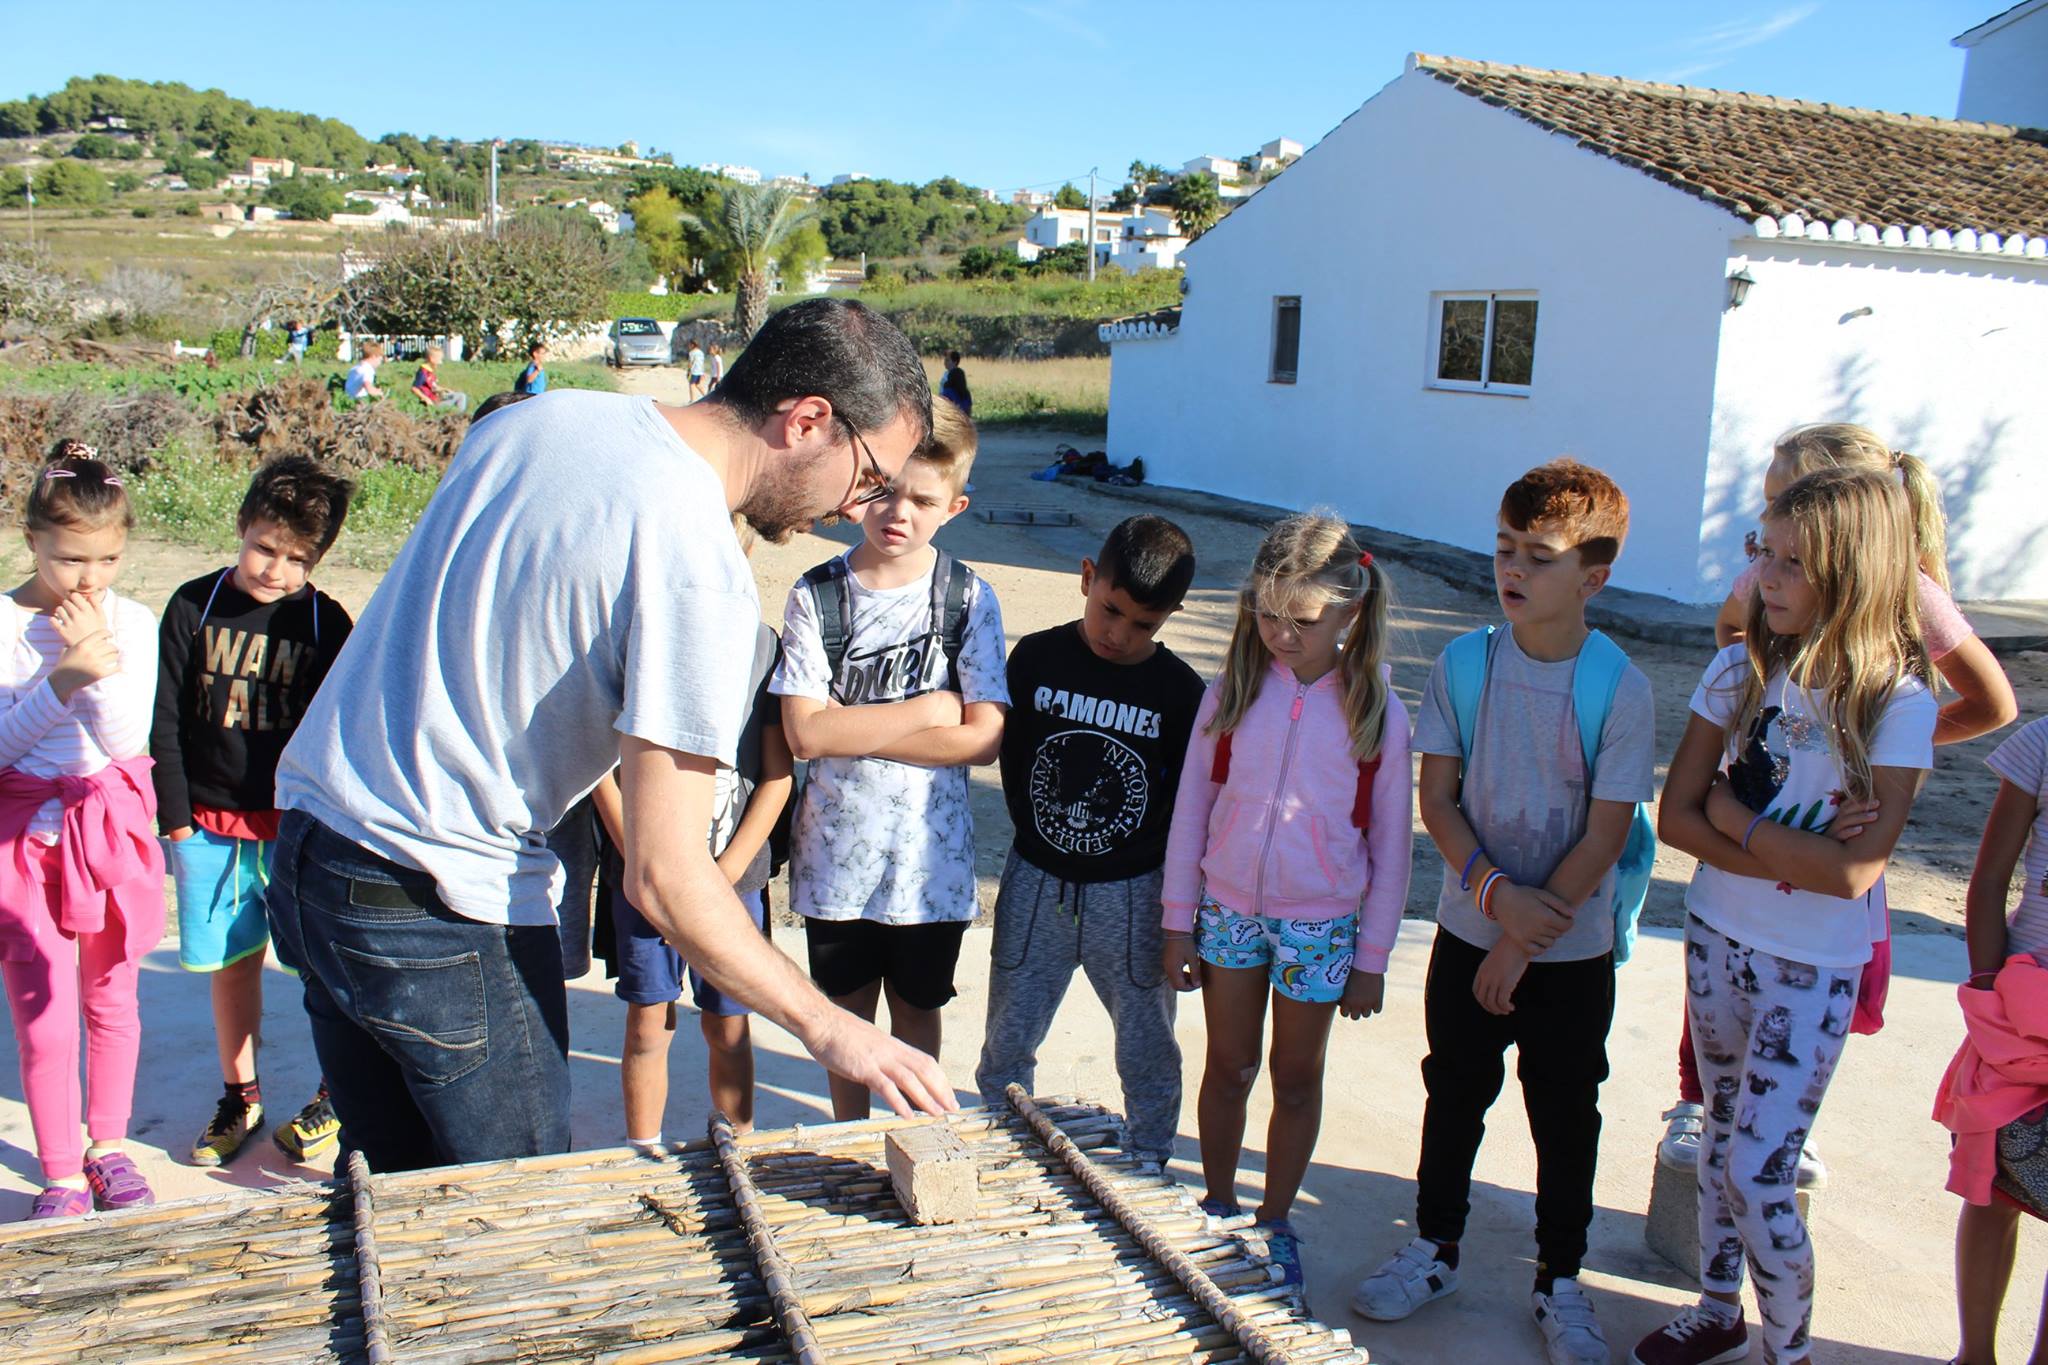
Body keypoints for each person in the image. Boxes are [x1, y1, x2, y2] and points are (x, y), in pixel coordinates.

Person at [266, 297, 953, 1174]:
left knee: (395, 1206)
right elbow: (667, 877)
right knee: (502, 1224)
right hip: (438, 899)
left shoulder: (543, 417)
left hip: (311, 850)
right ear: (808, 420)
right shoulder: (696, 566)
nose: (859, 504)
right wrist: (832, 1029)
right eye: (869, 475)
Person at [1632, 467, 1937, 1365]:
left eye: (1794, 561)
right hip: (1717, 938)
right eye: (1764, 550)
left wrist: (1738, 815)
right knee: (1720, 1141)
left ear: (1855, 571)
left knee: (1762, 1171)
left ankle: (1787, 1352)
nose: (1767, 575)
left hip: (1813, 967)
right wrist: (1776, 845)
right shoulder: (1738, 667)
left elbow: (1851, 875)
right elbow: (1676, 814)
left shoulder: (1896, 703)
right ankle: (1717, 1306)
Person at [1353, 459, 1654, 1365]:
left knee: (1566, 1117)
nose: (1512, 570)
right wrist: (1495, 901)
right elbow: (1436, 799)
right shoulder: (1465, 663)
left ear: (1593, 575)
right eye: (1503, 549)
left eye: (1540, 555)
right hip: (1467, 933)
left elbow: (1608, 833)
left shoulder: (1621, 688)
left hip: (1569, 953)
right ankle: (1434, 1247)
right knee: (1454, 1095)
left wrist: (1523, 939)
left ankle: (1561, 1280)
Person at [1660, 422, 2017, 1180]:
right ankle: (1703, 1105)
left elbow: (1992, 701)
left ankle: (1791, 1123)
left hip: (1834, 839)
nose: (1766, 558)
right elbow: (1733, 632)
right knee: (1726, 984)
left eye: (1784, 503)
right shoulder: (1771, 574)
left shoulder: (1911, 596)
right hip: (1757, 854)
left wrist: (1881, 751)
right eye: (1768, 520)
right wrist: (1764, 721)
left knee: (1831, 987)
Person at [1161, 511, 1412, 1290]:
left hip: (1322, 929)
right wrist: (1178, 922)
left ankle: (1274, 1223)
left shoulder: (1381, 716)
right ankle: (1216, 1201)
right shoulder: (1227, 695)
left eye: (1300, 619)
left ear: (1351, 611)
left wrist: (1372, 959)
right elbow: (1190, 812)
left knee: (1296, 1074)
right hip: (1227, 915)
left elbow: (1392, 848)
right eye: (1265, 614)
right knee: (1228, 1065)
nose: (1279, 633)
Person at [773, 399, 1007, 1121]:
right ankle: (850, 1141)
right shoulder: (817, 595)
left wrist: (852, 724)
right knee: (846, 1021)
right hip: (835, 864)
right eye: (882, 489)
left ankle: (920, 1138)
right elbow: (804, 736)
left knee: (917, 1013)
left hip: (929, 871)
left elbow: (983, 737)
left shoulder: (968, 598)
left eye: (921, 498)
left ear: (954, 505)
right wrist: (926, 712)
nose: (897, 511)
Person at [976, 514, 1203, 1167]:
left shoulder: (1182, 694)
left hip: (1133, 897)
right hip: (1035, 880)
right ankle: (998, 1142)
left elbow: (1191, 808)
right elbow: (1011, 758)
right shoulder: (1036, 657)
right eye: (1111, 610)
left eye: (1143, 624)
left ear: (1169, 617)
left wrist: (1183, 917)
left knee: (1145, 1039)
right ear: (1086, 577)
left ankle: (1151, 1154)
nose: (1120, 633)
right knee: (1009, 1030)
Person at [152, 456, 356, 1168]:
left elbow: (341, 729)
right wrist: (177, 820)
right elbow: (167, 722)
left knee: (321, 971)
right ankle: (241, 1096)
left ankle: (339, 1095)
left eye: (298, 558)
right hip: (209, 827)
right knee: (232, 965)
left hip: (298, 828)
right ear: (242, 527)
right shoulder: (192, 605)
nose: (276, 568)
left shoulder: (325, 622)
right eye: (266, 547)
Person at [0, 442, 164, 1219]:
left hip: (108, 829)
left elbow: (129, 739)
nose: (89, 579)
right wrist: (66, 673)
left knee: (111, 995)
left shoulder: (132, 620)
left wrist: (94, 668)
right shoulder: (4, 622)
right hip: (26, 837)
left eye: (107, 559)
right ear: (31, 539)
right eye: (70, 559)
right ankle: (62, 1170)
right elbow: (2, 747)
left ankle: (110, 1146)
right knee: (43, 1008)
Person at [593, 514, 791, 1143]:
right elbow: (600, 768)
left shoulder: (764, 649)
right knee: (647, 1023)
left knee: (728, 1025)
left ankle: (740, 1151)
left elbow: (776, 778)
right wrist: (641, 858)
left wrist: (722, 875)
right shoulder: (634, 639)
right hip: (643, 880)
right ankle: (640, 1151)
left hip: (731, 884)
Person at [1935, 712, 2048, 1365]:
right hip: (2018, 1010)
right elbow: (1989, 879)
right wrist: (1986, 986)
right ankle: (1974, 1353)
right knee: (1992, 1186)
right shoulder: (2039, 744)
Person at [410, 344, 469, 415]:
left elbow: (433, 387)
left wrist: (445, 389)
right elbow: (414, 388)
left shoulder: (430, 371)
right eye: (439, 359)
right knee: (461, 396)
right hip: (433, 404)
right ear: (432, 359)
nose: (440, 362)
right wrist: (426, 399)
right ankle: (459, 418)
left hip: (436, 399)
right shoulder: (423, 372)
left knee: (456, 394)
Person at [939, 351, 971, 415]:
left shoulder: (947, 392)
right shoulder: (966, 394)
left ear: (955, 362)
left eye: (947, 360)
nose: (945, 363)